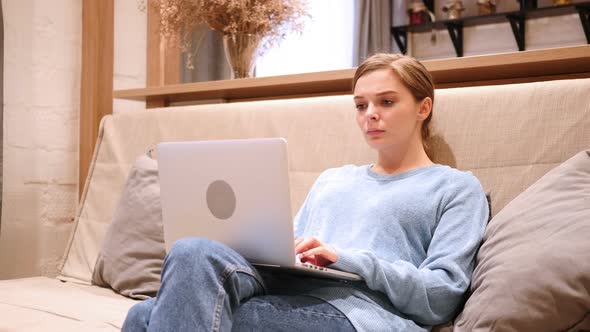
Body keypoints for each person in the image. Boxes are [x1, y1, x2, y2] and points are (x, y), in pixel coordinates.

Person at [122, 53, 489, 332]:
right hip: (290, 290)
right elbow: (287, 250)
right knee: (191, 250)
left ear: (423, 107)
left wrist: (347, 259)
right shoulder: (334, 178)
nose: (370, 115)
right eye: (361, 105)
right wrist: (289, 252)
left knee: (146, 316)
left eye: (386, 102)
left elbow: (442, 296)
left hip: (361, 314)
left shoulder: (455, 188)